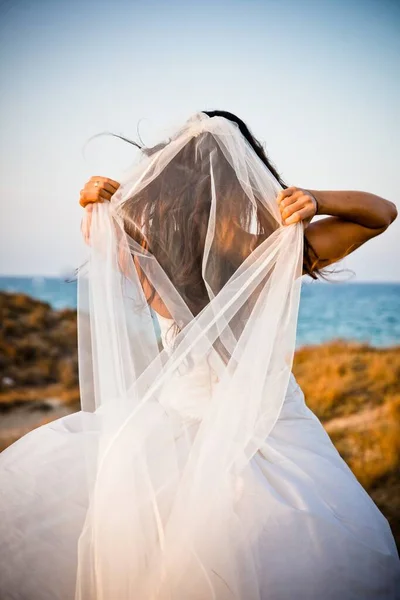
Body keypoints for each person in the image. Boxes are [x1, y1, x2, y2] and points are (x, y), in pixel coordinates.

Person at [0, 110, 399, 600]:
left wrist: (92, 205)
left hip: (172, 431)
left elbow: (95, 236)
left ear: (169, 194)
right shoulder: (274, 254)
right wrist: (314, 200)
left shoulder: (153, 267)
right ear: (246, 186)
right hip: (273, 431)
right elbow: (382, 213)